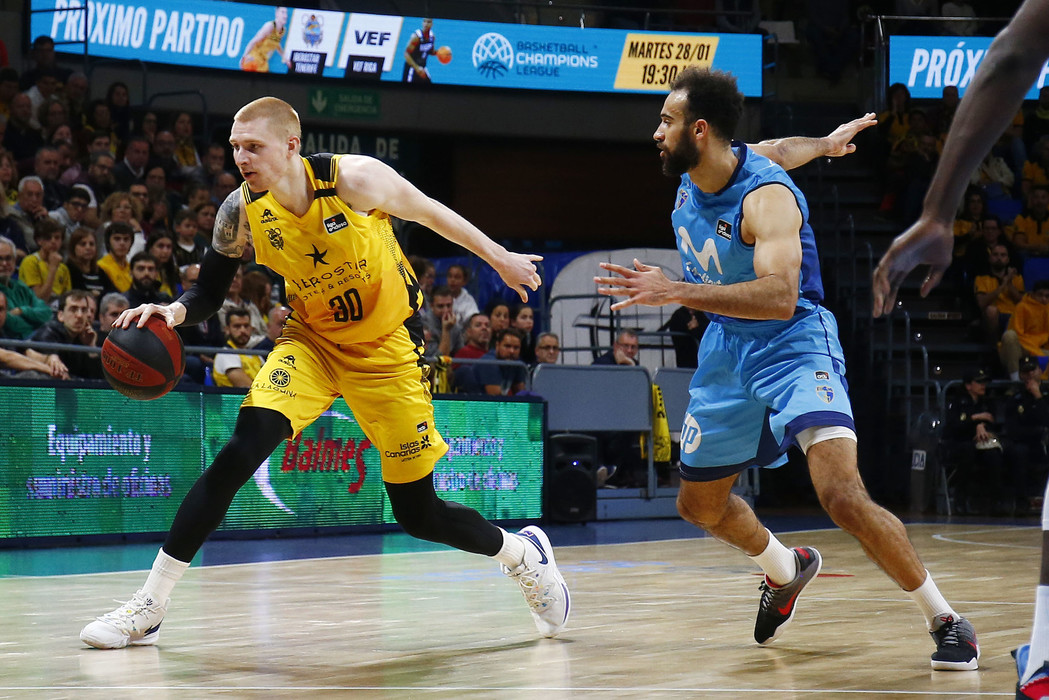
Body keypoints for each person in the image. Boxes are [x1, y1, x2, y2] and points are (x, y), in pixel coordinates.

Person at [79, 96, 569, 650]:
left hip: (387, 350)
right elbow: (209, 291)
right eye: (235, 147)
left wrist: (499, 256)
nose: (241, 158)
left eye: (253, 146)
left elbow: (430, 210)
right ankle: (150, 605)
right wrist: (172, 312)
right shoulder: (239, 211)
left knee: (419, 514)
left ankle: (522, 554)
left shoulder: (354, 180)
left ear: (291, 145)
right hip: (311, 342)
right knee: (241, 448)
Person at [594, 67, 977, 670]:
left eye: (667, 121)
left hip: (795, 341)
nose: (656, 133)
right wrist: (824, 144)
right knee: (698, 506)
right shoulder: (704, 170)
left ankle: (947, 620)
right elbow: (775, 148)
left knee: (841, 496)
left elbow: (778, 296)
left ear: (700, 130)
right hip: (728, 348)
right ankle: (784, 568)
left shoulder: (766, 198)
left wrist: (674, 290)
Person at [941, 369, 1009, 514]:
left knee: (994, 455)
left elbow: (992, 422)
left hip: (982, 443)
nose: (983, 385)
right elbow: (953, 427)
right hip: (960, 442)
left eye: (984, 382)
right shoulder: (957, 402)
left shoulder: (988, 402)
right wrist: (975, 420)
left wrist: (982, 426)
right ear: (968, 385)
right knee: (967, 452)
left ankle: (996, 501)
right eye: (979, 382)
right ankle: (960, 499)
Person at [29, 288, 101, 379]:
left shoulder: (85, 337)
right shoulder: (48, 333)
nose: (79, 315)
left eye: (83, 310)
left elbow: (95, 380)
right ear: (61, 315)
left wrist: (91, 347)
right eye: (73, 309)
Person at [0, 289, 68, 379]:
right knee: (32, 376)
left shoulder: (6, 334)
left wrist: (51, 360)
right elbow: (7, 357)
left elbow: (25, 353)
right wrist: (47, 369)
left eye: (0, 309)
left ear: (6, 312)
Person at [0, 236, 52, 338]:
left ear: (15, 261)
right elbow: (12, 325)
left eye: (8, 258)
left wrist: (22, 311)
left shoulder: (21, 287)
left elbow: (47, 313)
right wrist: (36, 320)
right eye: (0, 259)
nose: (4, 263)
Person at [973, 242, 1024, 342]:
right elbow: (981, 303)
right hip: (993, 318)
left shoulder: (1017, 278)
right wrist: (1002, 286)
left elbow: (1020, 302)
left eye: (1003, 255)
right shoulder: (981, 278)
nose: (999, 258)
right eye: (995, 254)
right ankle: (994, 345)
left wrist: (1009, 282)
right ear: (990, 258)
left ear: (1008, 259)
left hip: (1013, 314)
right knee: (991, 310)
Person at [1001, 281, 1049, 380]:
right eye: (1040, 295)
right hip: (1020, 347)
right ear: (1032, 294)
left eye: (1047, 296)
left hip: (1038, 348)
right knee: (1009, 335)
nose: (1044, 299)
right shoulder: (1022, 307)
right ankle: (1015, 380)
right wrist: (1032, 346)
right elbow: (1017, 333)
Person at [18, 218, 70, 302]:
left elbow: (67, 299)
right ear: (39, 241)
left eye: (57, 238)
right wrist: (53, 269)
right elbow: (39, 299)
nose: (53, 241)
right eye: (48, 238)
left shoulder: (63, 268)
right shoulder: (30, 262)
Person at [211, 307, 262, 388]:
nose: (243, 330)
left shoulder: (257, 356)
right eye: (237, 326)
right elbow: (247, 387)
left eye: (246, 326)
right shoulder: (225, 354)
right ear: (227, 329)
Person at [475, 328, 527, 396]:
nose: (512, 351)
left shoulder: (518, 364)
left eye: (516, 348)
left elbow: (521, 395)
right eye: (507, 346)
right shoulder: (489, 363)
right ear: (497, 346)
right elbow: (496, 398)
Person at [240, 7, 289, 73]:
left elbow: (276, 43)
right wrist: (244, 57)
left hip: (263, 62)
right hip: (254, 58)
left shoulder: (283, 30)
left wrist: (284, 57)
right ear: (277, 14)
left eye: (286, 13)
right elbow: (253, 41)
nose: (285, 16)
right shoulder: (269, 26)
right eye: (282, 12)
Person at [97, 221, 134, 293]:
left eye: (126, 239)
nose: (122, 243)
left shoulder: (132, 268)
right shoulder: (101, 267)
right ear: (108, 242)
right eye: (117, 239)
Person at [402, 17, 437, 84]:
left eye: (428, 22)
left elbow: (431, 51)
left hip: (422, 68)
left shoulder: (432, 37)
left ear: (432, 24)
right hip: (412, 68)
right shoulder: (416, 37)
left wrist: (440, 53)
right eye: (424, 21)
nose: (426, 24)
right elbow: (406, 54)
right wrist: (416, 68)